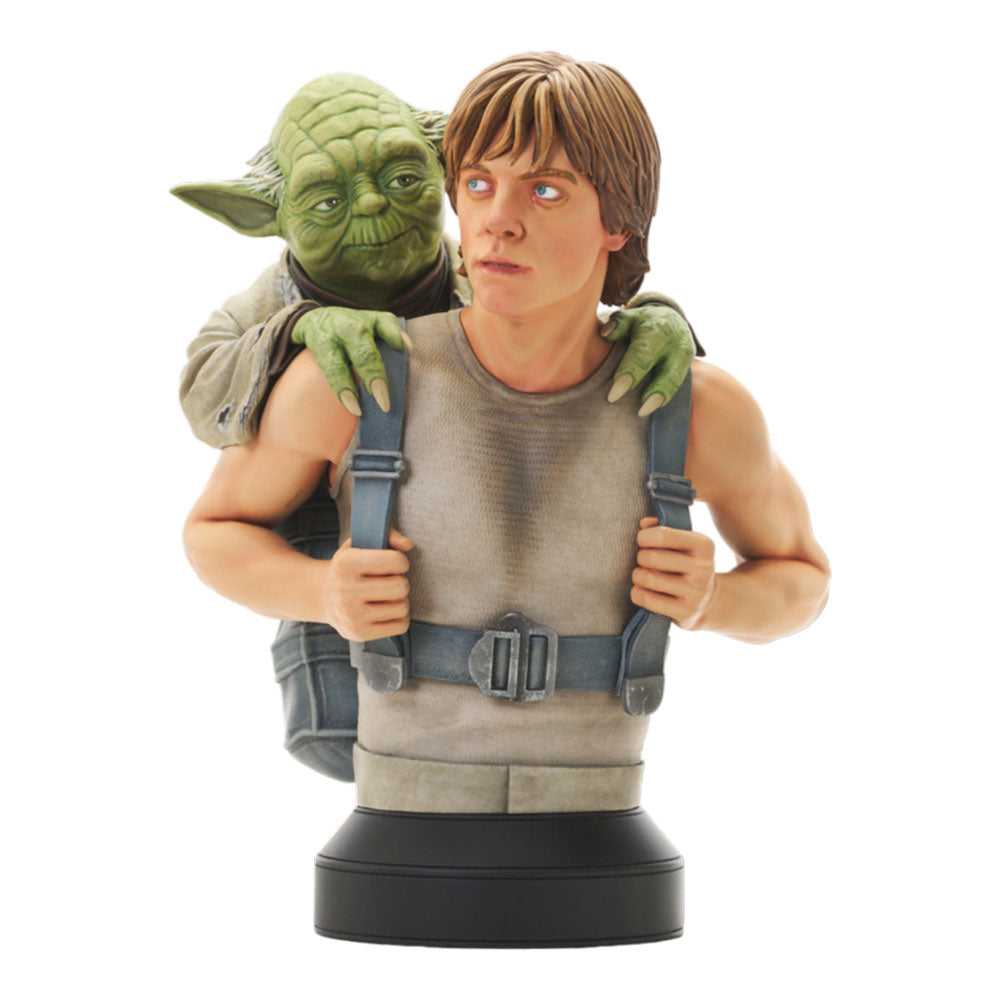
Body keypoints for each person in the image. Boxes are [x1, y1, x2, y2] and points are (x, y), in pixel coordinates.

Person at [184, 51, 829, 941]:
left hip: (599, 814)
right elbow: (216, 530)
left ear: (619, 220)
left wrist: (715, 599)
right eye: (478, 185)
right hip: (402, 807)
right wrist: (319, 589)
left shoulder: (696, 405)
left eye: (547, 191)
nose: (497, 221)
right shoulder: (356, 380)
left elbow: (802, 579)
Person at [174, 72, 701, 778]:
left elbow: (570, 315)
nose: (372, 208)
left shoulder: (484, 269)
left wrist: (655, 316)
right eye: (327, 199)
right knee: (342, 711)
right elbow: (204, 396)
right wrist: (297, 329)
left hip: (493, 543)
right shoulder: (288, 348)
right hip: (341, 545)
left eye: (402, 179)